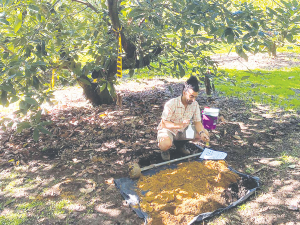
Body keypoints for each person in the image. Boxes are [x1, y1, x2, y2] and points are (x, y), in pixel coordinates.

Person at [157, 76, 210, 161]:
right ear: (184, 92)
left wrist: (202, 132)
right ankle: (165, 150)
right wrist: (179, 125)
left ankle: (180, 145)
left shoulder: (195, 104)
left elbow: (197, 122)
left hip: (183, 131)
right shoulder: (171, 104)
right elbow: (164, 123)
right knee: (165, 144)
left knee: (205, 133)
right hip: (168, 130)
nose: (193, 100)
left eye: (195, 97)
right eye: (191, 96)